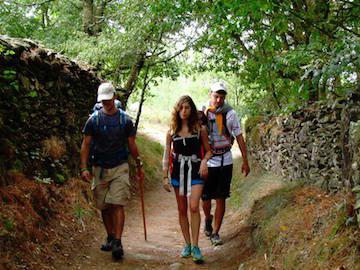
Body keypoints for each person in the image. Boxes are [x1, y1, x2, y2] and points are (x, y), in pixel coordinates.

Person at [80, 82, 144, 260]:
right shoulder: (93, 120)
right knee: (104, 206)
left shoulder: (125, 120)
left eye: (108, 99)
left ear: (114, 97)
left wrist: (138, 163)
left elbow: (131, 144)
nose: (106, 103)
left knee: (117, 203)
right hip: (99, 167)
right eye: (103, 100)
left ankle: (117, 241)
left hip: (120, 167)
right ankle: (110, 236)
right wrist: (84, 167)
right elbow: (85, 144)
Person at [162, 95, 212, 263]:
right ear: (177, 110)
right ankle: (187, 244)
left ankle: (196, 246)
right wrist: (164, 176)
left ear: (192, 110)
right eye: (181, 108)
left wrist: (205, 161)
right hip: (178, 172)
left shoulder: (200, 129)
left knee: (193, 207)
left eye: (187, 108)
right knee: (182, 209)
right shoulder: (171, 131)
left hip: (196, 171)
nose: (184, 111)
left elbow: (209, 150)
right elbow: (166, 154)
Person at [202, 81, 250, 246]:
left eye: (221, 97)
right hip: (207, 161)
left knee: (221, 197)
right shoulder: (203, 113)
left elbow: (239, 137)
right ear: (210, 95)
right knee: (206, 198)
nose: (218, 100)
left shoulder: (231, 114)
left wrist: (245, 160)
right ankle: (208, 218)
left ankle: (215, 233)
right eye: (216, 96)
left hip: (225, 160)